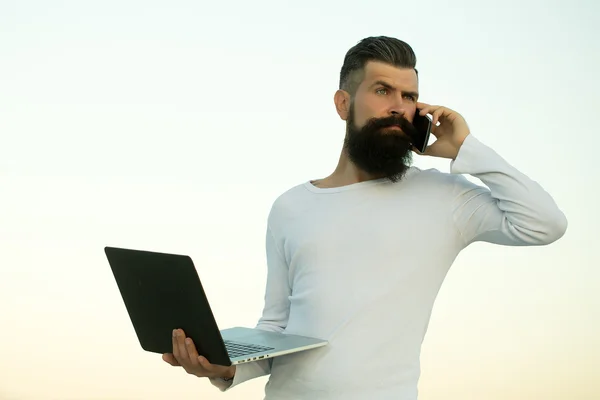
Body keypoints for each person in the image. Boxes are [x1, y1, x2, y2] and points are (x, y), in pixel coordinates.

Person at [162, 36, 568, 399]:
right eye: (382, 90)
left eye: (410, 96)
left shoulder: (444, 197)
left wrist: (465, 148)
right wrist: (227, 366)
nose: (398, 106)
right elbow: (276, 328)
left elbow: (545, 223)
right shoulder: (291, 207)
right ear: (343, 103)